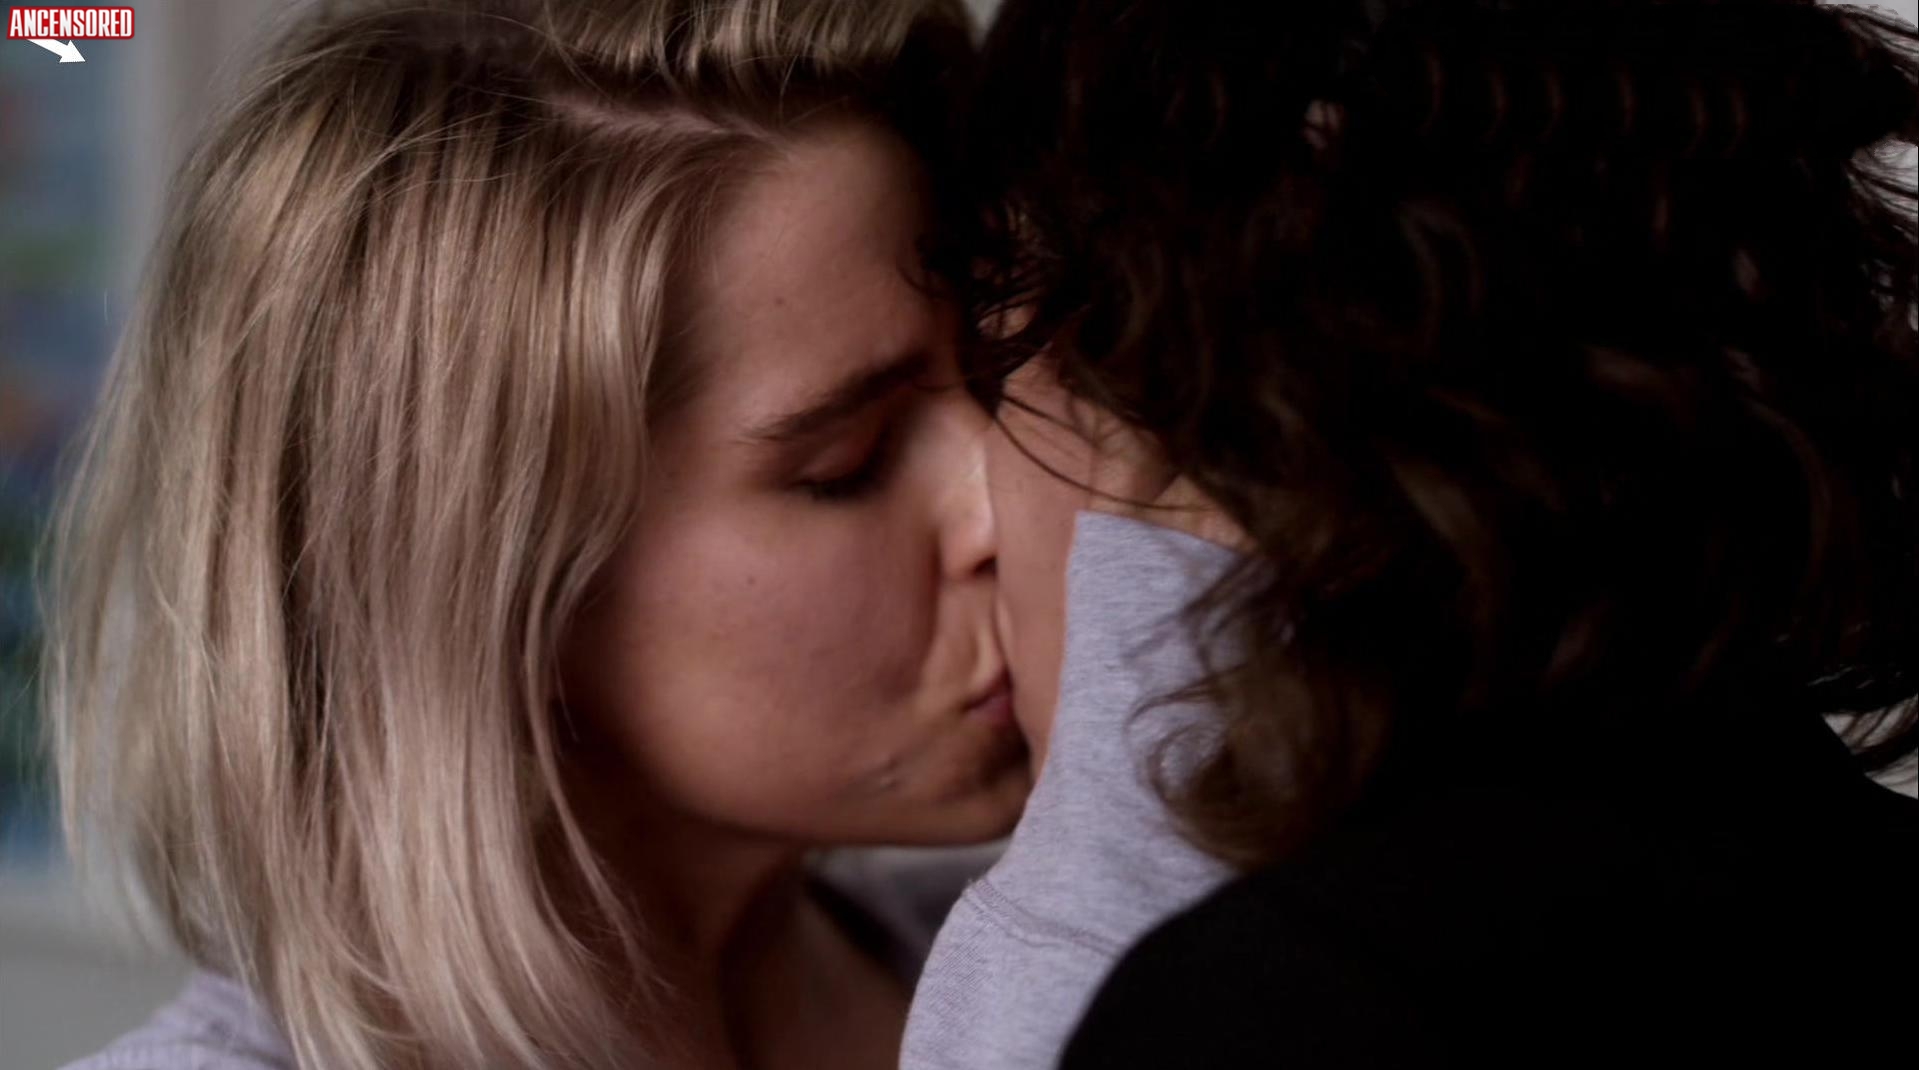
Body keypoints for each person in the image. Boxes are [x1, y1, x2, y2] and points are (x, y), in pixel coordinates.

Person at [906, 0, 1919, 1067]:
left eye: (996, 368)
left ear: (1185, 411)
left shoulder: (1274, 1002)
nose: (979, 513)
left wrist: (1100, 859)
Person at [40, 1, 1028, 1068]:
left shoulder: (1066, 982)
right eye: (850, 464)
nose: (1007, 505)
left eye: (997, 385)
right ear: (485, 591)